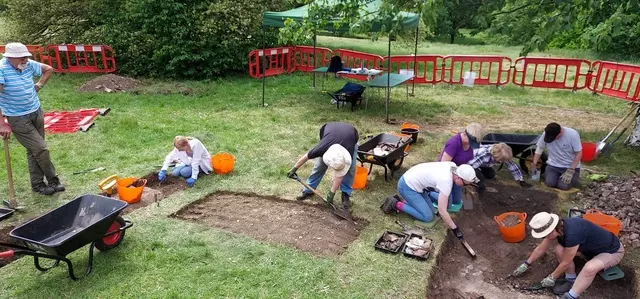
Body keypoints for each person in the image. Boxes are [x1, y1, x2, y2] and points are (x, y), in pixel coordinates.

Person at [0, 42, 64, 195]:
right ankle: (53, 180)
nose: (25, 60)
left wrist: (39, 85)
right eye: (22, 58)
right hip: (17, 118)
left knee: (34, 150)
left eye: (26, 57)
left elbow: (48, 69)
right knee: (41, 149)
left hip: (36, 111)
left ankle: (37, 185)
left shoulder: (27, 64)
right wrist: (2, 123)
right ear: (10, 58)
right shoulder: (1, 70)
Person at [511, 212, 624, 299]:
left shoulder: (573, 234)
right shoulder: (560, 229)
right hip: (589, 250)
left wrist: (552, 277)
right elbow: (541, 248)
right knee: (559, 249)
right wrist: (526, 264)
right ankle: (571, 280)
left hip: (611, 251)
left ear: (553, 229)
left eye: (544, 234)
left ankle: (570, 295)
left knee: (590, 268)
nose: (543, 237)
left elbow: (565, 262)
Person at [380, 162, 479, 237]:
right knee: (427, 217)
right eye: (465, 184)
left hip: (419, 186)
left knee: (432, 211)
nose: (465, 186)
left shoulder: (453, 167)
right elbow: (442, 210)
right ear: (458, 177)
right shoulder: (446, 181)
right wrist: (455, 228)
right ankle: (396, 203)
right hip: (407, 186)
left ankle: (410, 201)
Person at [287, 122, 358, 211]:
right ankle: (308, 190)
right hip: (329, 132)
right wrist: (294, 169)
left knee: (350, 169)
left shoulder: (348, 156)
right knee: (319, 166)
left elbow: (340, 175)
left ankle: (346, 194)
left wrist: (331, 194)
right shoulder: (321, 148)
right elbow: (306, 157)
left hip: (350, 135)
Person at [531, 122, 582, 190]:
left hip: (569, 166)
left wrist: (571, 170)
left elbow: (579, 154)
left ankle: (573, 178)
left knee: (563, 186)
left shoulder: (572, 134)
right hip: (553, 165)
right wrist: (534, 163)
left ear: (560, 133)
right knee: (550, 183)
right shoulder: (547, 133)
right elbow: (540, 148)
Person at [467, 142, 531, 190]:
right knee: (480, 178)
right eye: (501, 160)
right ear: (496, 155)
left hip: (482, 164)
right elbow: (470, 167)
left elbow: (512, 166)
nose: (501, 162)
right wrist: (477, 181)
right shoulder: (484, 154)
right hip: (469, 162)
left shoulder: (502, 154)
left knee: (491, 175)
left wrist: (521, 180)